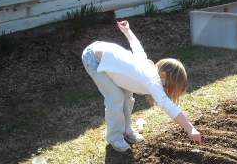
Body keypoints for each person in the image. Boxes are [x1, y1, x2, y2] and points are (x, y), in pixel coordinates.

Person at [81, 20, 202, 152]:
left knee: (127, 97)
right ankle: (115, 137)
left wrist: (127, 31)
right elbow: (167, 104)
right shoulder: (152, 79)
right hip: (93, 58)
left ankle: (127, 131)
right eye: (171, 87)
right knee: (115, 98)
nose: (167, 91)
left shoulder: (148, 67)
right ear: (164, 77)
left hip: (107, 56)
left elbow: (137, 47)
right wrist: (190, 128)